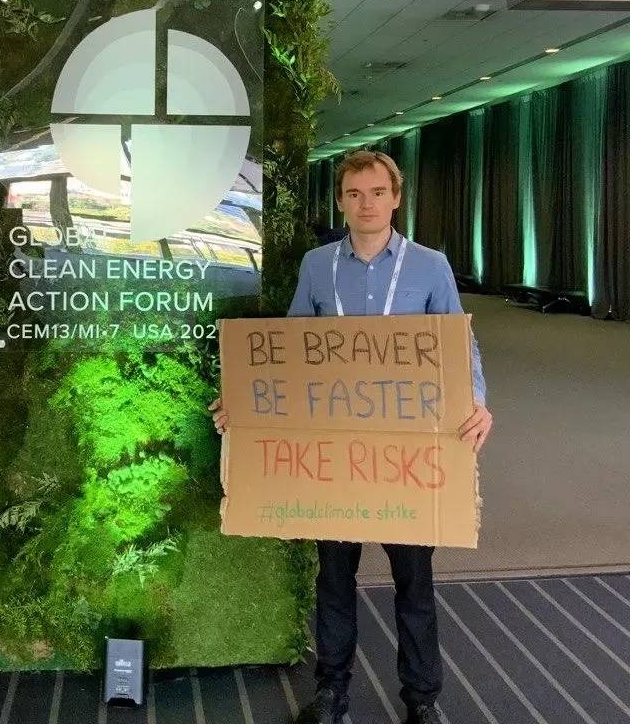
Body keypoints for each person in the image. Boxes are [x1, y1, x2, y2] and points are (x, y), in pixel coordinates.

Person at [210, 150, 493, 724]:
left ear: (396, 198)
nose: (367, 204)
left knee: (414, 582)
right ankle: (332, 691)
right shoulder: (318, 266)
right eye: (355, 194)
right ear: (341, 200)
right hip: (334, 459)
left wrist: (478, 402)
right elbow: (287, 350)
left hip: (409, 458)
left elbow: (459, 347)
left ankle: (422, 700)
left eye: (377, 193)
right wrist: (243, 400)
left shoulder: (429, 266)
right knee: (333, 578)